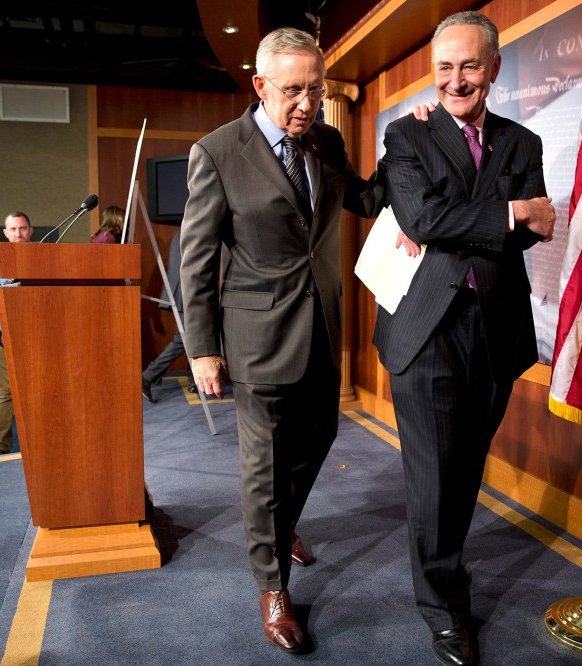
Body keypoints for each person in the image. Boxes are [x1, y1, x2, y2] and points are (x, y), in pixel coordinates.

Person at [180, 27, 384, 654]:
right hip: (255, 335)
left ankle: (281, 524)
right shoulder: (217, 152)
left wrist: (411, 144)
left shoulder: (325, 140)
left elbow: (364, 198)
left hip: (322, 325)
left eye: (315, 90)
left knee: (320, 435)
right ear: (260, 86)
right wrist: (202, 347)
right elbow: (196, 257)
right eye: (292, 91)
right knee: (263, 467)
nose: (305, 103)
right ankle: (273, 585)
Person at [373, 11, 556, 666]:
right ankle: (443, 607)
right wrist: (506, 213)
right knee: (433, 477)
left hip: (496, 332)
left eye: (470, 66)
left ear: (494, 69)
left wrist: (472, 221)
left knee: (466, 464)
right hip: (427, 331)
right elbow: (421, 214)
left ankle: (445, 562)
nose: (456, 79)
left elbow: (543, 227)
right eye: (444, 67)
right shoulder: (406, 136)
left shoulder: (522, 142)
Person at [0, 212, 33, 455]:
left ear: (30, 230)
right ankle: (0, 448)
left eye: (22, 228)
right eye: (13, 229)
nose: (18, 234)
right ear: (5, 233)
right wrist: (11, 303)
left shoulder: (43, 257)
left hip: (40, 335)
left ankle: (41, 443)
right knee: (6, 394)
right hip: (9, 335)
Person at [142, 232, 194, 402]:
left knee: (189, 338)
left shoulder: (182, 230)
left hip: (180, 292)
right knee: (184, 340)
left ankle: (193, 378)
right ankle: (148, 377)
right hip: (185, 293)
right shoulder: (191, 228)